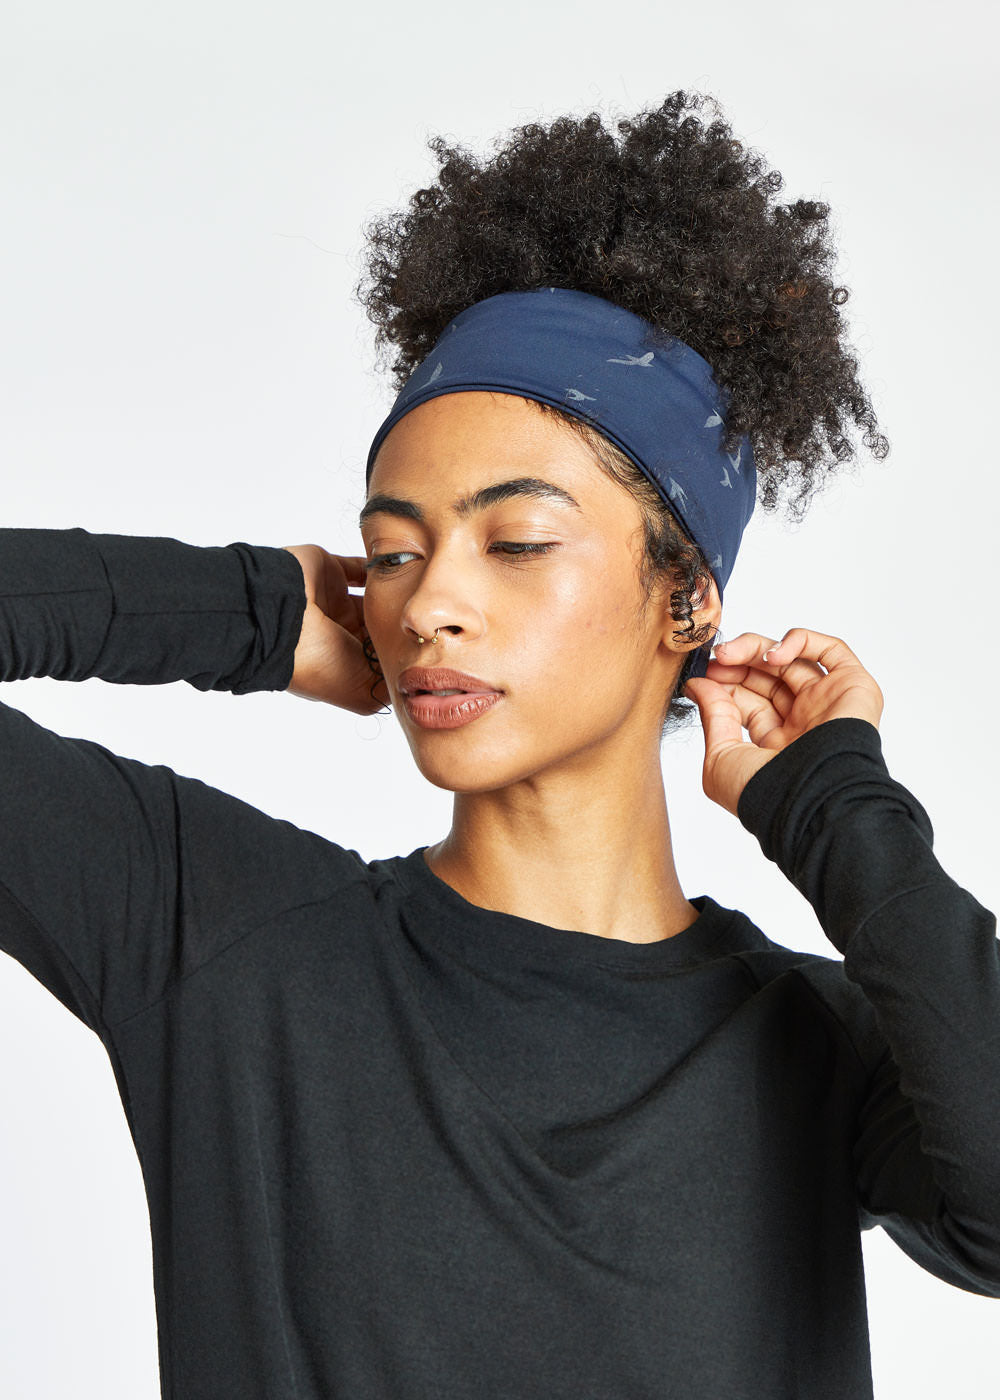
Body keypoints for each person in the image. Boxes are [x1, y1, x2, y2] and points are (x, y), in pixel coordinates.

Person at [1, 90, 998, 1400]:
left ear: (686, 600)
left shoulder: (817, 1045)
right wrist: (244, 611)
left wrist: (837, 809)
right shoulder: (217, 934)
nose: (432, 602)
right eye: (395, 549)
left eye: (516, 540)